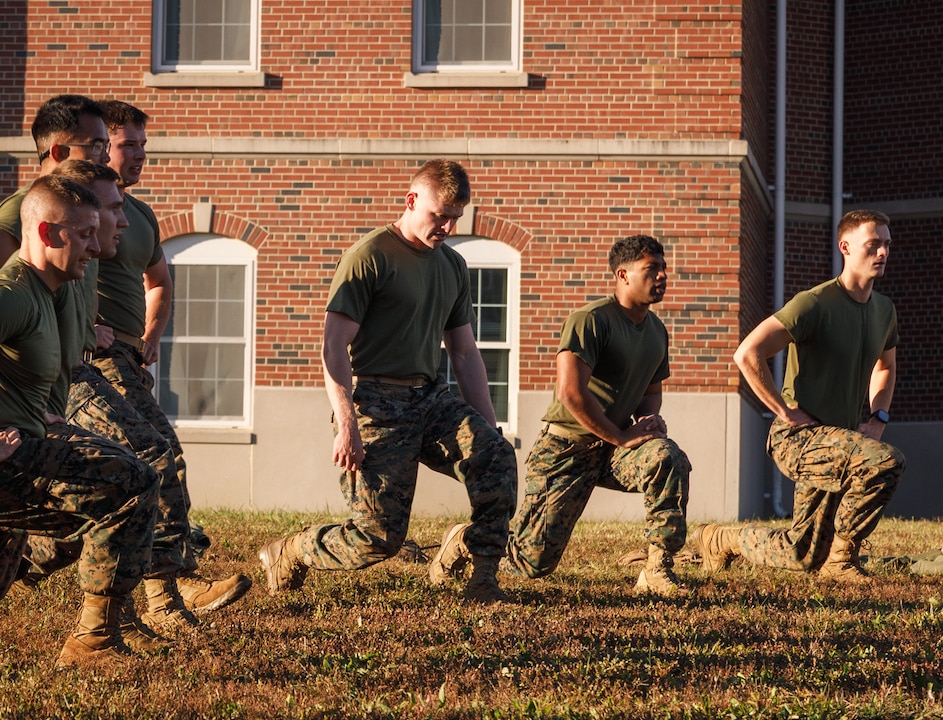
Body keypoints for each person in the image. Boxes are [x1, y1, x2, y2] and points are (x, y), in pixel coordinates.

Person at [258, 159, 517, 603]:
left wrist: (488, 424)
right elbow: (332, 346)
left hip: (431, 398)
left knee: (495, 458)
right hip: (375, 402)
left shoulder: (452, 266)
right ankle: (292, 551)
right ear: (412, 200)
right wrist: (347, 424)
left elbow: (464, 351)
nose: (448, 226)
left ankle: (483, 580)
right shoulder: (370, 256)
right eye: (440, 216)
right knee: (377, 537)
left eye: (456, 217)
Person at [429, 234, 693, 597]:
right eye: (652, 269)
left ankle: (657, 569)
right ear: (623, 274)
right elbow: (571, 394)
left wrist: (646, 423)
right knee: (531, 562)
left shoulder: (656, 331)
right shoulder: (591, 320)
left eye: (664, 268)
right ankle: (464, 540)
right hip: (567, 447)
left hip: (614, 447)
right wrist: (621, 436)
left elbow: (650, 390)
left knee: (668, 458)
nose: (662, 275)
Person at [91, 100, 251, 616]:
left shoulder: (137, 214)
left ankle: (160, 589)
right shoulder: (68, 207)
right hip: (90, 362)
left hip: (129, 359)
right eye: (127, 145)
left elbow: (159, 280)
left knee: (154, 460)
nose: (139, 156)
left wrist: (152, 335)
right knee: (154, 458)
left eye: (143, 146)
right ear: (100, 147)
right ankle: (164, 592)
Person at [693, 209, 905, 581]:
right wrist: (782, 410)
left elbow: (885, 367)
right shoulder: (815, 303)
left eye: (887, 244)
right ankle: (841, 563)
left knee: (802, 553)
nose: (883, 252)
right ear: (846, 247)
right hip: (800, 438)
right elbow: (747, 353)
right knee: (884, 463)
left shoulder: (884, 310)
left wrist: (878, 419)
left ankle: (721, 539)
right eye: (873, 244)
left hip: (843, 440)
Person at [0, 175, 159, 667]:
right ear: (48, 234)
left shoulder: (50, 290)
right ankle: (94, 643)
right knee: (132, 483)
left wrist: (43, 411)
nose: (97, 247)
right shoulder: (12, 293)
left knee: (62, 528)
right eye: (85, 235)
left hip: (29, 435)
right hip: (9, 453)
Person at [0, 94, 111, 261]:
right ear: (59, 153)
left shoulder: (85, 208)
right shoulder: (15, 214)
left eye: (105, 146)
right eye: (96, 146)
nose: (106, 158)